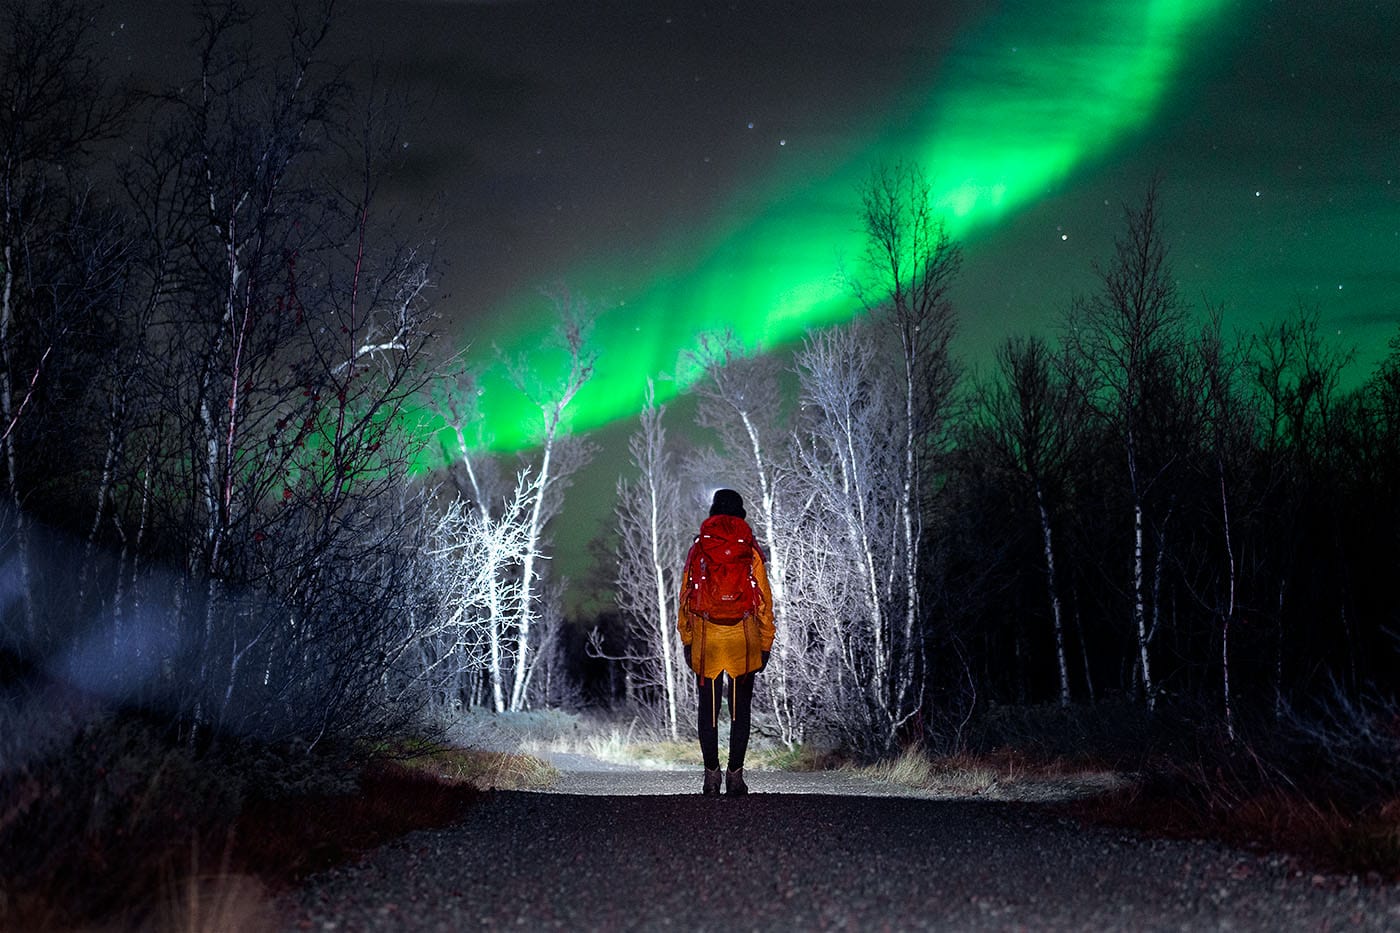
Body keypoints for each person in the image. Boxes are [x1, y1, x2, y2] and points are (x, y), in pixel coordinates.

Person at [677, 488, 775, 796]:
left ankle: (711, 777)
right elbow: (763, 599)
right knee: (739, 709)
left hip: (707, 637)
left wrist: (687, 637)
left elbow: (685, 595)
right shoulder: (750, 546)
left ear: (713, 510)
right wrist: (766, 640)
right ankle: (735, 777)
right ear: (741, 512)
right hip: (742, 637)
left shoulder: (699, 546)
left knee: (708, 710)